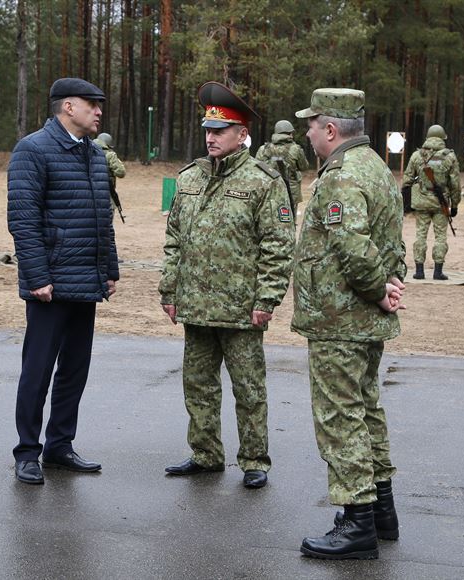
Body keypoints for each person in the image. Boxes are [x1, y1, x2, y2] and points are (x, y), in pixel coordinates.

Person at [159, 82, 295, 489]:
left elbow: (278, 246)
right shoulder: (191, 177)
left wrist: (267, 299)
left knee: (249, 388)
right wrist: (170, 290)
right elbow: (174, 239)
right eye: (208, 130)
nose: (211, 137)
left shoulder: (264, 181)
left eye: (221, 131)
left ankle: (254, 460)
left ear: (243, 134)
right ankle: (205, 454)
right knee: (197, 384)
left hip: (241, 308)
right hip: (196, 304)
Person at [292, 88, 407, 559]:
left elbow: (354, 247)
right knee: (366, 409)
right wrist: (391, 281)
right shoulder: (377, 167)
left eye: (312, 125)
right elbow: (392, 239)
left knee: (340, 417)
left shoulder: (340, 175)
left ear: (331, 130)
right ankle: (381, 512)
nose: (307, 132)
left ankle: (357, 522)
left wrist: (379, 289)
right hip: (361, 320)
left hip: (341, 318)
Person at [7, 78, 119, 485]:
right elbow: (23, 219)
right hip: (50, 284)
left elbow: (101, 218)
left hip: (85, 281)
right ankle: (27, 451)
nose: (99, 111)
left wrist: (109, 269)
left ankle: (59, 445)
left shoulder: (94, 154)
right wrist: (37, 276)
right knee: (37, 370)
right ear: (68, 107)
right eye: (92, 104)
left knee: (74, 369)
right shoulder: (32, 149)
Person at [402, 124, 461, 280]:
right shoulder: (449, 157)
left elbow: (407, 180)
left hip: (421, 201)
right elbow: (455, 184)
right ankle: (438, 271)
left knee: (420, 234)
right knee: (440, 236)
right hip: (440, 203)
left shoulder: (417, 156)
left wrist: (406, 202)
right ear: (442, 138)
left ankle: (419, 271)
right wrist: (455, 205)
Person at [255, 119, 309, 211]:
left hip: (268, 190)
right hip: (291, 193)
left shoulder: (263, 149)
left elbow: (256, 169)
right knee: (290, 220)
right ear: (290, 134)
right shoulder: (296, 149)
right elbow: (304, 167)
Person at [94, 132, 126, 219]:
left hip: (88, 197)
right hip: (107, 196)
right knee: (107, 227)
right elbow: (121, 172)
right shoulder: (110, 155)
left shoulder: (87, 151)